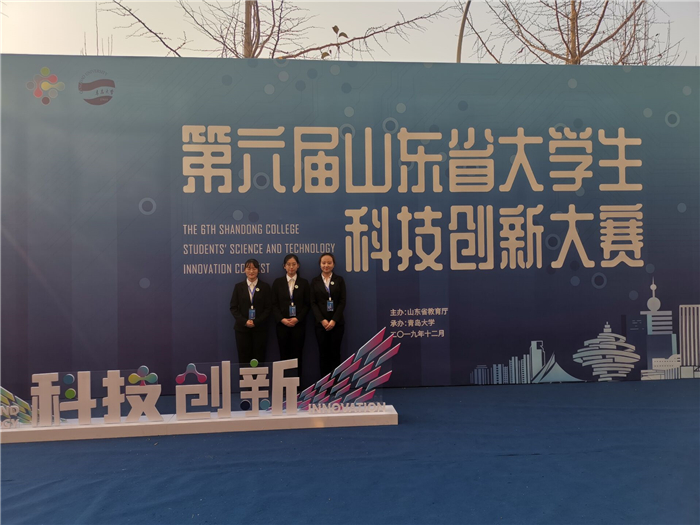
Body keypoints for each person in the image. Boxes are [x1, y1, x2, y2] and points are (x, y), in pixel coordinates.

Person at [272, 254, 310, 379]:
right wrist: (282, 319)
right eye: (288, 264)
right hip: (282, 325)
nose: (291, 267)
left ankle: (297, 384)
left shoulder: (304, 283)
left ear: (298, 266)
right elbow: (273, 304)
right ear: (284, 266)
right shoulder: (278, 282)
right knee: (284, 355)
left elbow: (307, 304)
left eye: (294, 264)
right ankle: (284, 384)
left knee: (297, 355)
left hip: (298, 325)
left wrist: (297, 319)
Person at [310, 252, 346, 378]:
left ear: (333, 264)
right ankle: (324, 385)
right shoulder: (315, 281)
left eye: (329, 263)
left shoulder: (339, 280)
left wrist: (334, 320)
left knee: (335, 354)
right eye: (323, 263)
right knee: (323, 354)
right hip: (321, 325)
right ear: (320, 264)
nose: (326, 265)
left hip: (337, 324)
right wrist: (322, 320)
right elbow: (313, 303)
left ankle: (336, 383)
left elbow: (342, 301)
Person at [229, 258, 272, 364]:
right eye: (248, 268)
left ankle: (259, 376)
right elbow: (233, 307)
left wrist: (256, 321)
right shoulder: (238, 287)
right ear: (244, 270)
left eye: (254, 268)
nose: (251, 271)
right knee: (244, 359)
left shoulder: (265, 287)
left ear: (258, 270)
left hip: (260, 329)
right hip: (242, 329)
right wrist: (245, 321)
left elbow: (268, 308)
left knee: (259, 358)